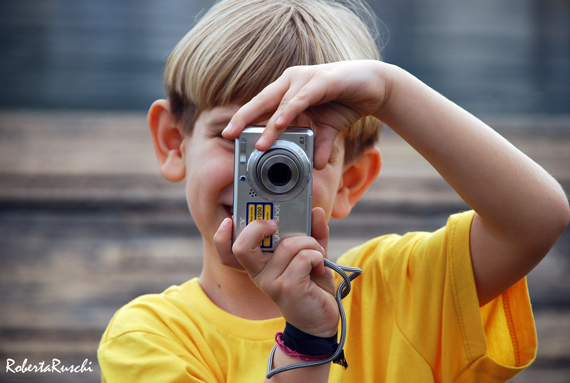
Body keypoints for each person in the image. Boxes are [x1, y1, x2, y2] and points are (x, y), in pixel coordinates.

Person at [97, 0, 570, 382]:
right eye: (236, 139)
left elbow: (536, 220)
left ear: (351, 180)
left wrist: (390, 91)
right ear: (172, 144)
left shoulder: (399, 287)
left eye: (299, 148)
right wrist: (307, 340)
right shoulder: (148, 338)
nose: (268, 166)